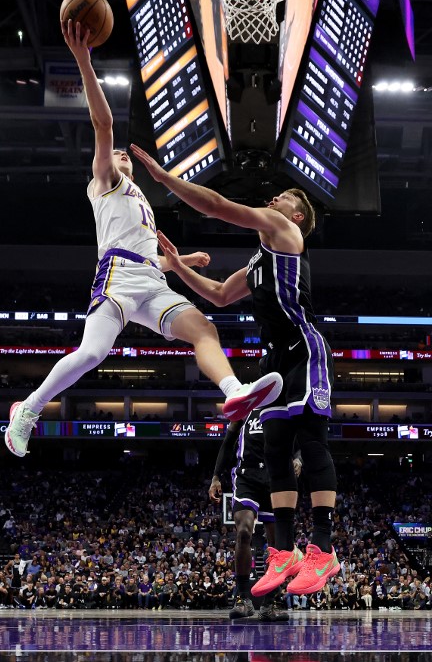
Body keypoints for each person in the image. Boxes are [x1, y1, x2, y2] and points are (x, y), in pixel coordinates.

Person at [3, 21, 283, 458]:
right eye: (112, 153)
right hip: (117, 276)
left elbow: (153, 258)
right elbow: (103, 122)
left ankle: (233, 391)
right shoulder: (106, 182)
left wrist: (181, 259)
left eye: (116, 154)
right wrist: (83, 59)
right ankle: (29, 408)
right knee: (93, 352)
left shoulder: (142, 204)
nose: (116, 154)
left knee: (204, 327)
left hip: (151, 281)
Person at [130, 145, 338, 599]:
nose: (276, 199)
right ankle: (285, 552)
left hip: (305, 348)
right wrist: (179, 266)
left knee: (310, 441)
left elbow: (220, 207)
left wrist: (165, 180)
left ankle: (322, 547)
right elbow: (221, 295)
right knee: (278, 449)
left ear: (296, 217)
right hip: (275, 357)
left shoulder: (282, 231)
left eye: (285, 196)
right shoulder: (260, 259)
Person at [210, 409, 301, 621]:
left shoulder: (282, 408)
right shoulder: (245, 407)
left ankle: (270, 603)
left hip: (275, 475)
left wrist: (298, 458)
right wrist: (215, 476)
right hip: (246, 476)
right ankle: (243, 599)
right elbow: (228, 441)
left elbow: (299, 440)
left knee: (276, 544)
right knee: (243, 532)